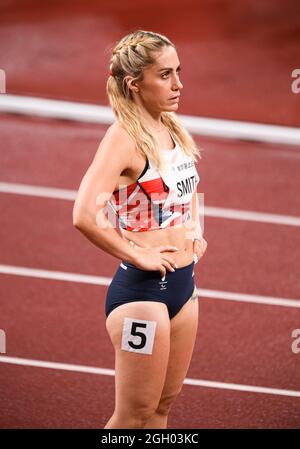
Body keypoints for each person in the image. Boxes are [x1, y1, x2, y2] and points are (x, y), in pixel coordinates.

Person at [72, 30, 207, 429]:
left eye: (178, 71)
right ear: (134, 83)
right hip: (143, 297)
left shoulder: (171, 128)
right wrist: (137, 254)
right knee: (133, 416)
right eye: (165, 75)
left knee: (161, 412)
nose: (179, 84)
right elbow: (84, 213)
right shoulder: (123, 138)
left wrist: (194, 229)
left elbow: (190, 187)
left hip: (184, 287)